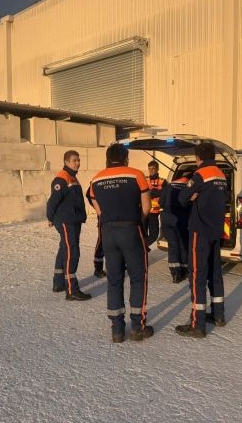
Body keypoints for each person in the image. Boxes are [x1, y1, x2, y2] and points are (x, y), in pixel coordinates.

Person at [89, 143, 154, 343]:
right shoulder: (136, 175)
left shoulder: (96, 179)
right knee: (138, 277)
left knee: (114, 279)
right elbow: (147, 207)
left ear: (107, 159)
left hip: (108, 232)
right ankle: (137, 327)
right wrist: (134, 221)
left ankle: (117, 330)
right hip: (131, 229)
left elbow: (98, 209)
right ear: (126, 158)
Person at [175, 142, 228, 338]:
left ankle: (197, 325)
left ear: (198, 158)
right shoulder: (221, 175)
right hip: (216, 231)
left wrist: (193, 196)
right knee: (215, 273)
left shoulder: (200, 174)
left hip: (200, 231)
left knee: (197, 275)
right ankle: (218, 315)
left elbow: (182, 198)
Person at [46, 150, 92, 301]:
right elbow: (52, 201)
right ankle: (72, 290)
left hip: (73, 219)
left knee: (64, 249)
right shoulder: (62, 178)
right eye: (74, 160)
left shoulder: (72, 177)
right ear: (66, 162)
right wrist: (50, 217)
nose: (77, 163)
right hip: (67, 221)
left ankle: (59, 283)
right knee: (72, 252)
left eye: (78, 160)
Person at [159, 172, 192, 283]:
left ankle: (175, 274)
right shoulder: (188, 187)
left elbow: (161, 202)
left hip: (166, 219)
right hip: (180, 219)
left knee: (173, 245)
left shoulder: (168, 186)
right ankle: (185, 270)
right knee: (182, 244)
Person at [85, 187, 107, 279]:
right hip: (103, 216)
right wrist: (97, 207)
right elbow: (88, 194)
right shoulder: (97, 182)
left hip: (116, 216)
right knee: (101, 241)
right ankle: (98, 268)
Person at [145, 160, 167, 249]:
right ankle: (142, 251)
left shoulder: (163, 181)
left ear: (157, 169)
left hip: (154, 212)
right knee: (142, 234)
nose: (151, 170)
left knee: (154, 235)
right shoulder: (144, 179)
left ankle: (142, 248)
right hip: (144, 211)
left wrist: (156, 192)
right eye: (149, 168)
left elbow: (166, 194)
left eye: (153, 168)